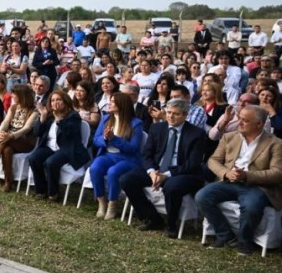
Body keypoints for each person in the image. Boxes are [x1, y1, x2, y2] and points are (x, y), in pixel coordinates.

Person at [197, 105, 282, 256]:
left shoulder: (275, 143)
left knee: (251, 206)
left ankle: (244, 241)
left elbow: (277, 173)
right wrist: (226, 173)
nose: (239, 123)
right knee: (202, 196)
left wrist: (247, 176)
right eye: (240, 119)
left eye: (245, 120)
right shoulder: (229, 137)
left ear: (259, 124)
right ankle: (226, 236)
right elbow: (213, 160)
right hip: (229, 181)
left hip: (257, 186)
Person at [119, 99, 207, 238]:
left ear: (185, 115)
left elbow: (193, 163)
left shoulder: (197, 134)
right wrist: (152, 172)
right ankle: (152, 218)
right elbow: (147, 154)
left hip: (182, 172)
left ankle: (171, 225)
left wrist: (167, 174)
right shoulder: (157, 128)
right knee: (127, 180)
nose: (171, 116)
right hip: (157, 168)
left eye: (176, 114)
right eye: (169, 112)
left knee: (172, 187)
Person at [89, 93, 144, 219]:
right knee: (95, 168)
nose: (110, 103)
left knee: (113, 172)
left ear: (122, 104)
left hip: (128, 159)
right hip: (108, 155)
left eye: (113, 101)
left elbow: (133, 148)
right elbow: (95, 140)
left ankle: (112, 204)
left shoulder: (136, 123)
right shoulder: (106, 119)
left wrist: (114, 139)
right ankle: (102, 202)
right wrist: (105, 139)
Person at [27, 90, 90, 201]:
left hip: (66, 148)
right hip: (49, 146)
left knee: (50, 162)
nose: (55, 102)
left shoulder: (73, 115)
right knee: (33, 158)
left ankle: (53, 193)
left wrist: (59, 119)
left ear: (65, 102)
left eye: (59, 99)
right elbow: (37, 133)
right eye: (53, 100)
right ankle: (41, 190)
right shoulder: (49, 115)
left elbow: (70, 134)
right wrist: (42, 117)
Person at [0, 84, 39, 191]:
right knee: (7, 150)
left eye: (14, 94)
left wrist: (11, 136)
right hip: (9, 139)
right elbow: (5, 122)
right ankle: (8, 181)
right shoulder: (13, 108)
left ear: (22, 96)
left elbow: (26, 128)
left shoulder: (34, 111)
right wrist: (1, 132)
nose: (12, 96)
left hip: (26, 142)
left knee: (4, 141)